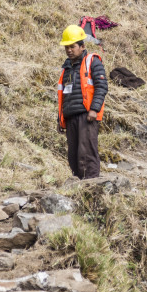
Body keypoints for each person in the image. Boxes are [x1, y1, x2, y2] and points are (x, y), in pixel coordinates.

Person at [57, 25, 108, 180]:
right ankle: (78, 184)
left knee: (86, 153)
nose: (69, 50)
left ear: (82, 46)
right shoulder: (66, 69)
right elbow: (63, 97)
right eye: (67, 47)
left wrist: (94, 109)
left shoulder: (92, 62)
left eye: (72, 46)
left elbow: (102, 86)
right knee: (73, 154)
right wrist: (60, 119)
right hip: (70, 116)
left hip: (87, 116)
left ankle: (91, 185)